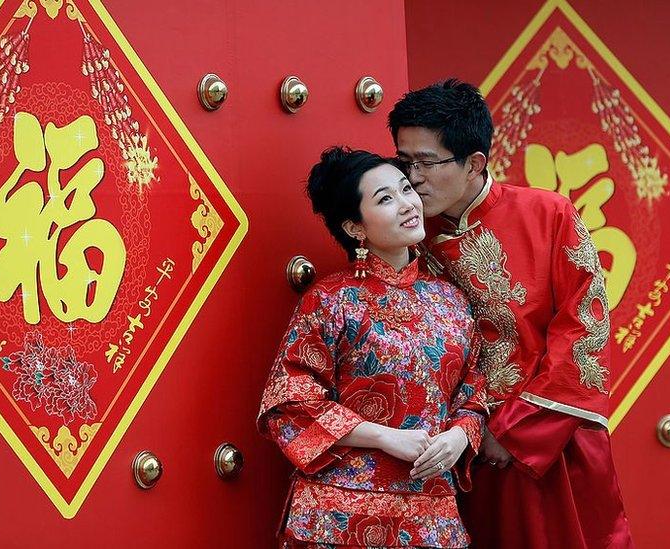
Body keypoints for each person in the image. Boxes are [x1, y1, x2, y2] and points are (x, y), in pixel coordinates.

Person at [389, 79, 634, 548]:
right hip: (448, 456)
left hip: (547, 446)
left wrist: (513, 432)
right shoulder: (405, 239)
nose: (412, 178)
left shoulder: (549, 215)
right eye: (404, 162)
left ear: (474, 163)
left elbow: (584, 331)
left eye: (426, 162)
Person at [257, 147, 489, 548]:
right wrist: (384, 437)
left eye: (405, 189)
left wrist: (459, 437)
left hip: (432, 516)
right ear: (355, 227)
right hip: (339, 519)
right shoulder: (331, 299)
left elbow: (473, 394)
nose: (407, 205)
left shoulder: (451, 299)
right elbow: (288, 402)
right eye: (385, 199)